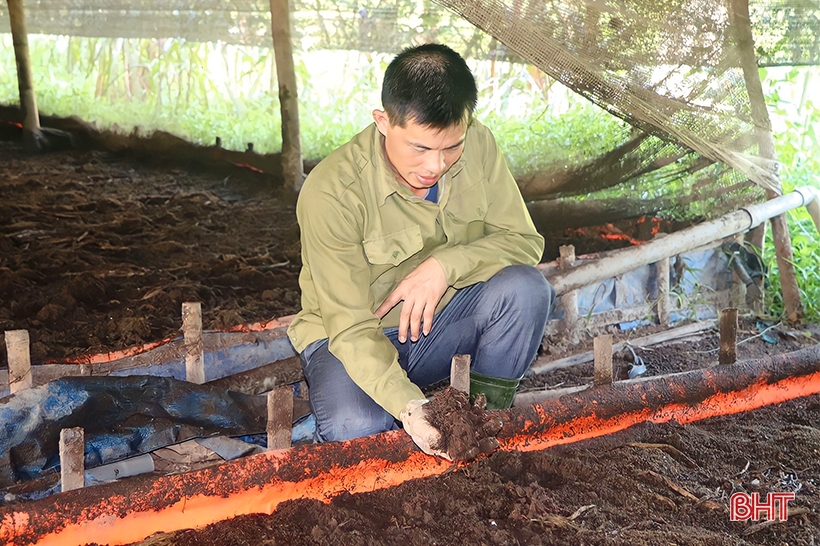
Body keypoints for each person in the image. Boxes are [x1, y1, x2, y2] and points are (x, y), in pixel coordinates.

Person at [287, 43, 554, 458]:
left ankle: (480, 429)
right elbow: (350, 325)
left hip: (439, 329)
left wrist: (446, 266)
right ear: (382, 122)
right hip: (353, 338)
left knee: (526, 290)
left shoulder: (479, 144)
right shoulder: (331, 193)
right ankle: (410, 418)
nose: (436, 166)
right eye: (420, 148)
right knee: (357, 427)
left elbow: (523, 241)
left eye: (451, 147)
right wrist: (410, 406)